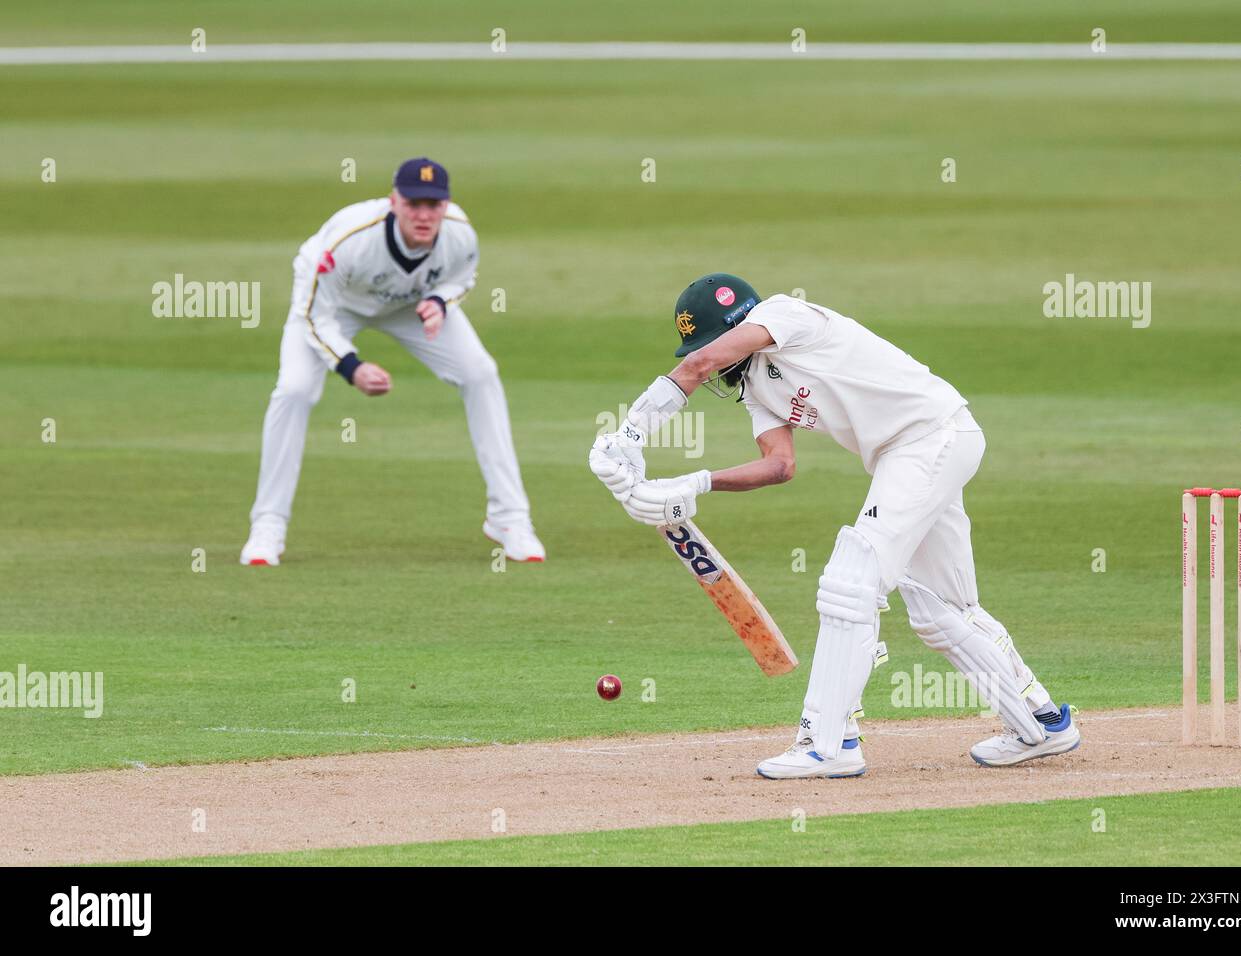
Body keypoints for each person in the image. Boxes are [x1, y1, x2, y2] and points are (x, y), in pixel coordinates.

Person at [589, 273, 1079, 778]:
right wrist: (693, 485)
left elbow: (698, 363)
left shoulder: (787, 315)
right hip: (908, 455)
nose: (710, 359)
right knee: (942, 609)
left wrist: (630, 434)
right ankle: (1040, 723)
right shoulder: (756, 386)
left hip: (931, 438)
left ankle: (829, 741)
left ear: (736, 328)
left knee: (851, 580)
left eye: (712, 343)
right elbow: (779, 465)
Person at [241, 158, 544, 565]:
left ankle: (510, 519)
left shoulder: (460, 234)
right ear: (393, 201)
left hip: (410, 304)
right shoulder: (349, 240)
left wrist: (439, 302)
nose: (423, 215)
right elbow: (314, 315)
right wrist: (352, 367)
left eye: (433, 205)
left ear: (445, 205)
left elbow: (461, 277)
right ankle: (268, 526)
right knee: (294, 389)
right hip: (334, 306)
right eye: (413, 204)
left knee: (480, 373)